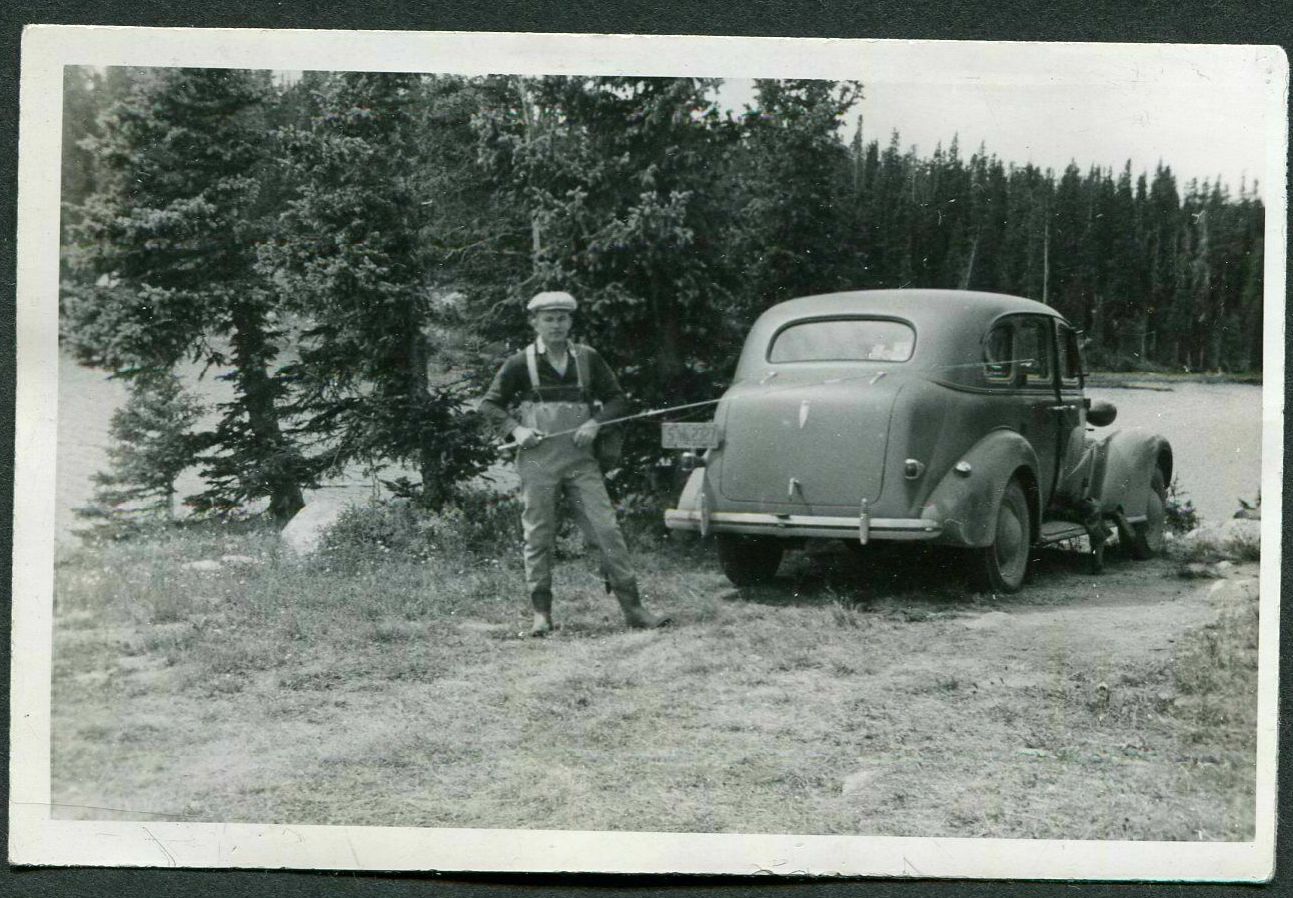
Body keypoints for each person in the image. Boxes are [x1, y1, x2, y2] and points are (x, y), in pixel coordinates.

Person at [478, 290, 671, 636]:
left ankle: (634, 609)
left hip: (582, 462)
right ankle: (541, 614)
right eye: (548, 319)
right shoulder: (521, 362)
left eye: (562, 318)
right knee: (537, 535)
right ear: (534, 322)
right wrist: (517, 430)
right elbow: (490, 405)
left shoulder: (587, 358)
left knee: (606, 530)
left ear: (571, 322)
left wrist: (594, 422)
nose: (556, 325)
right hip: (538, 462)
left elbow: (617, 399)